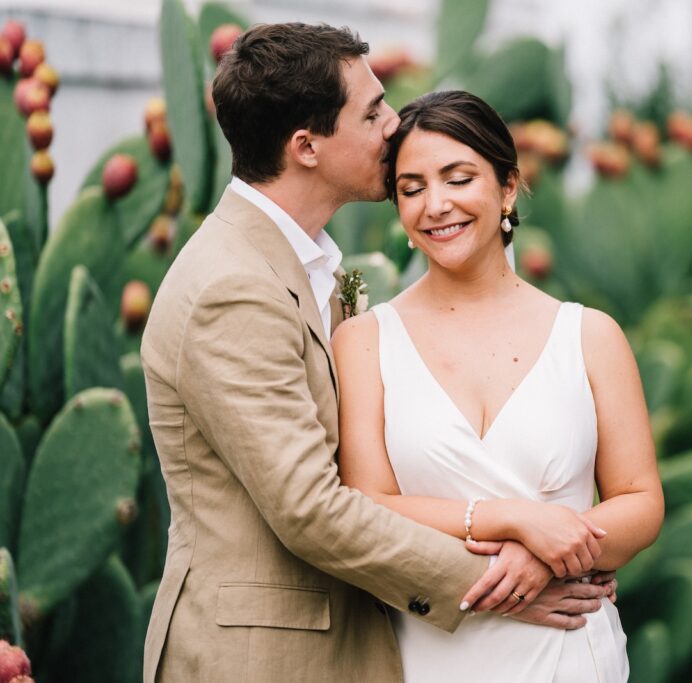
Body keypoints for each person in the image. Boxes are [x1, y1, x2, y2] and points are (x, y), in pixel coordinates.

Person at [140, 24, 612, 682]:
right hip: (265, 657)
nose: (394, 126)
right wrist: (498, 581)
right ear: (306, 146)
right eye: (372, 111)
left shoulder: (314, 269)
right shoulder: (233, 288)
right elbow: (311, 507)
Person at [332, 90, 665, 682]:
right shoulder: (363, 341)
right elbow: (368, 506)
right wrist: (511, 518)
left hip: (571, 654)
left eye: (458, 179)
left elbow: (640, 501)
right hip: (430, 655)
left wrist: (543, 560)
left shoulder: (589, 335)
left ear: (508, 188)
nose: (436, 205)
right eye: (411, 189)